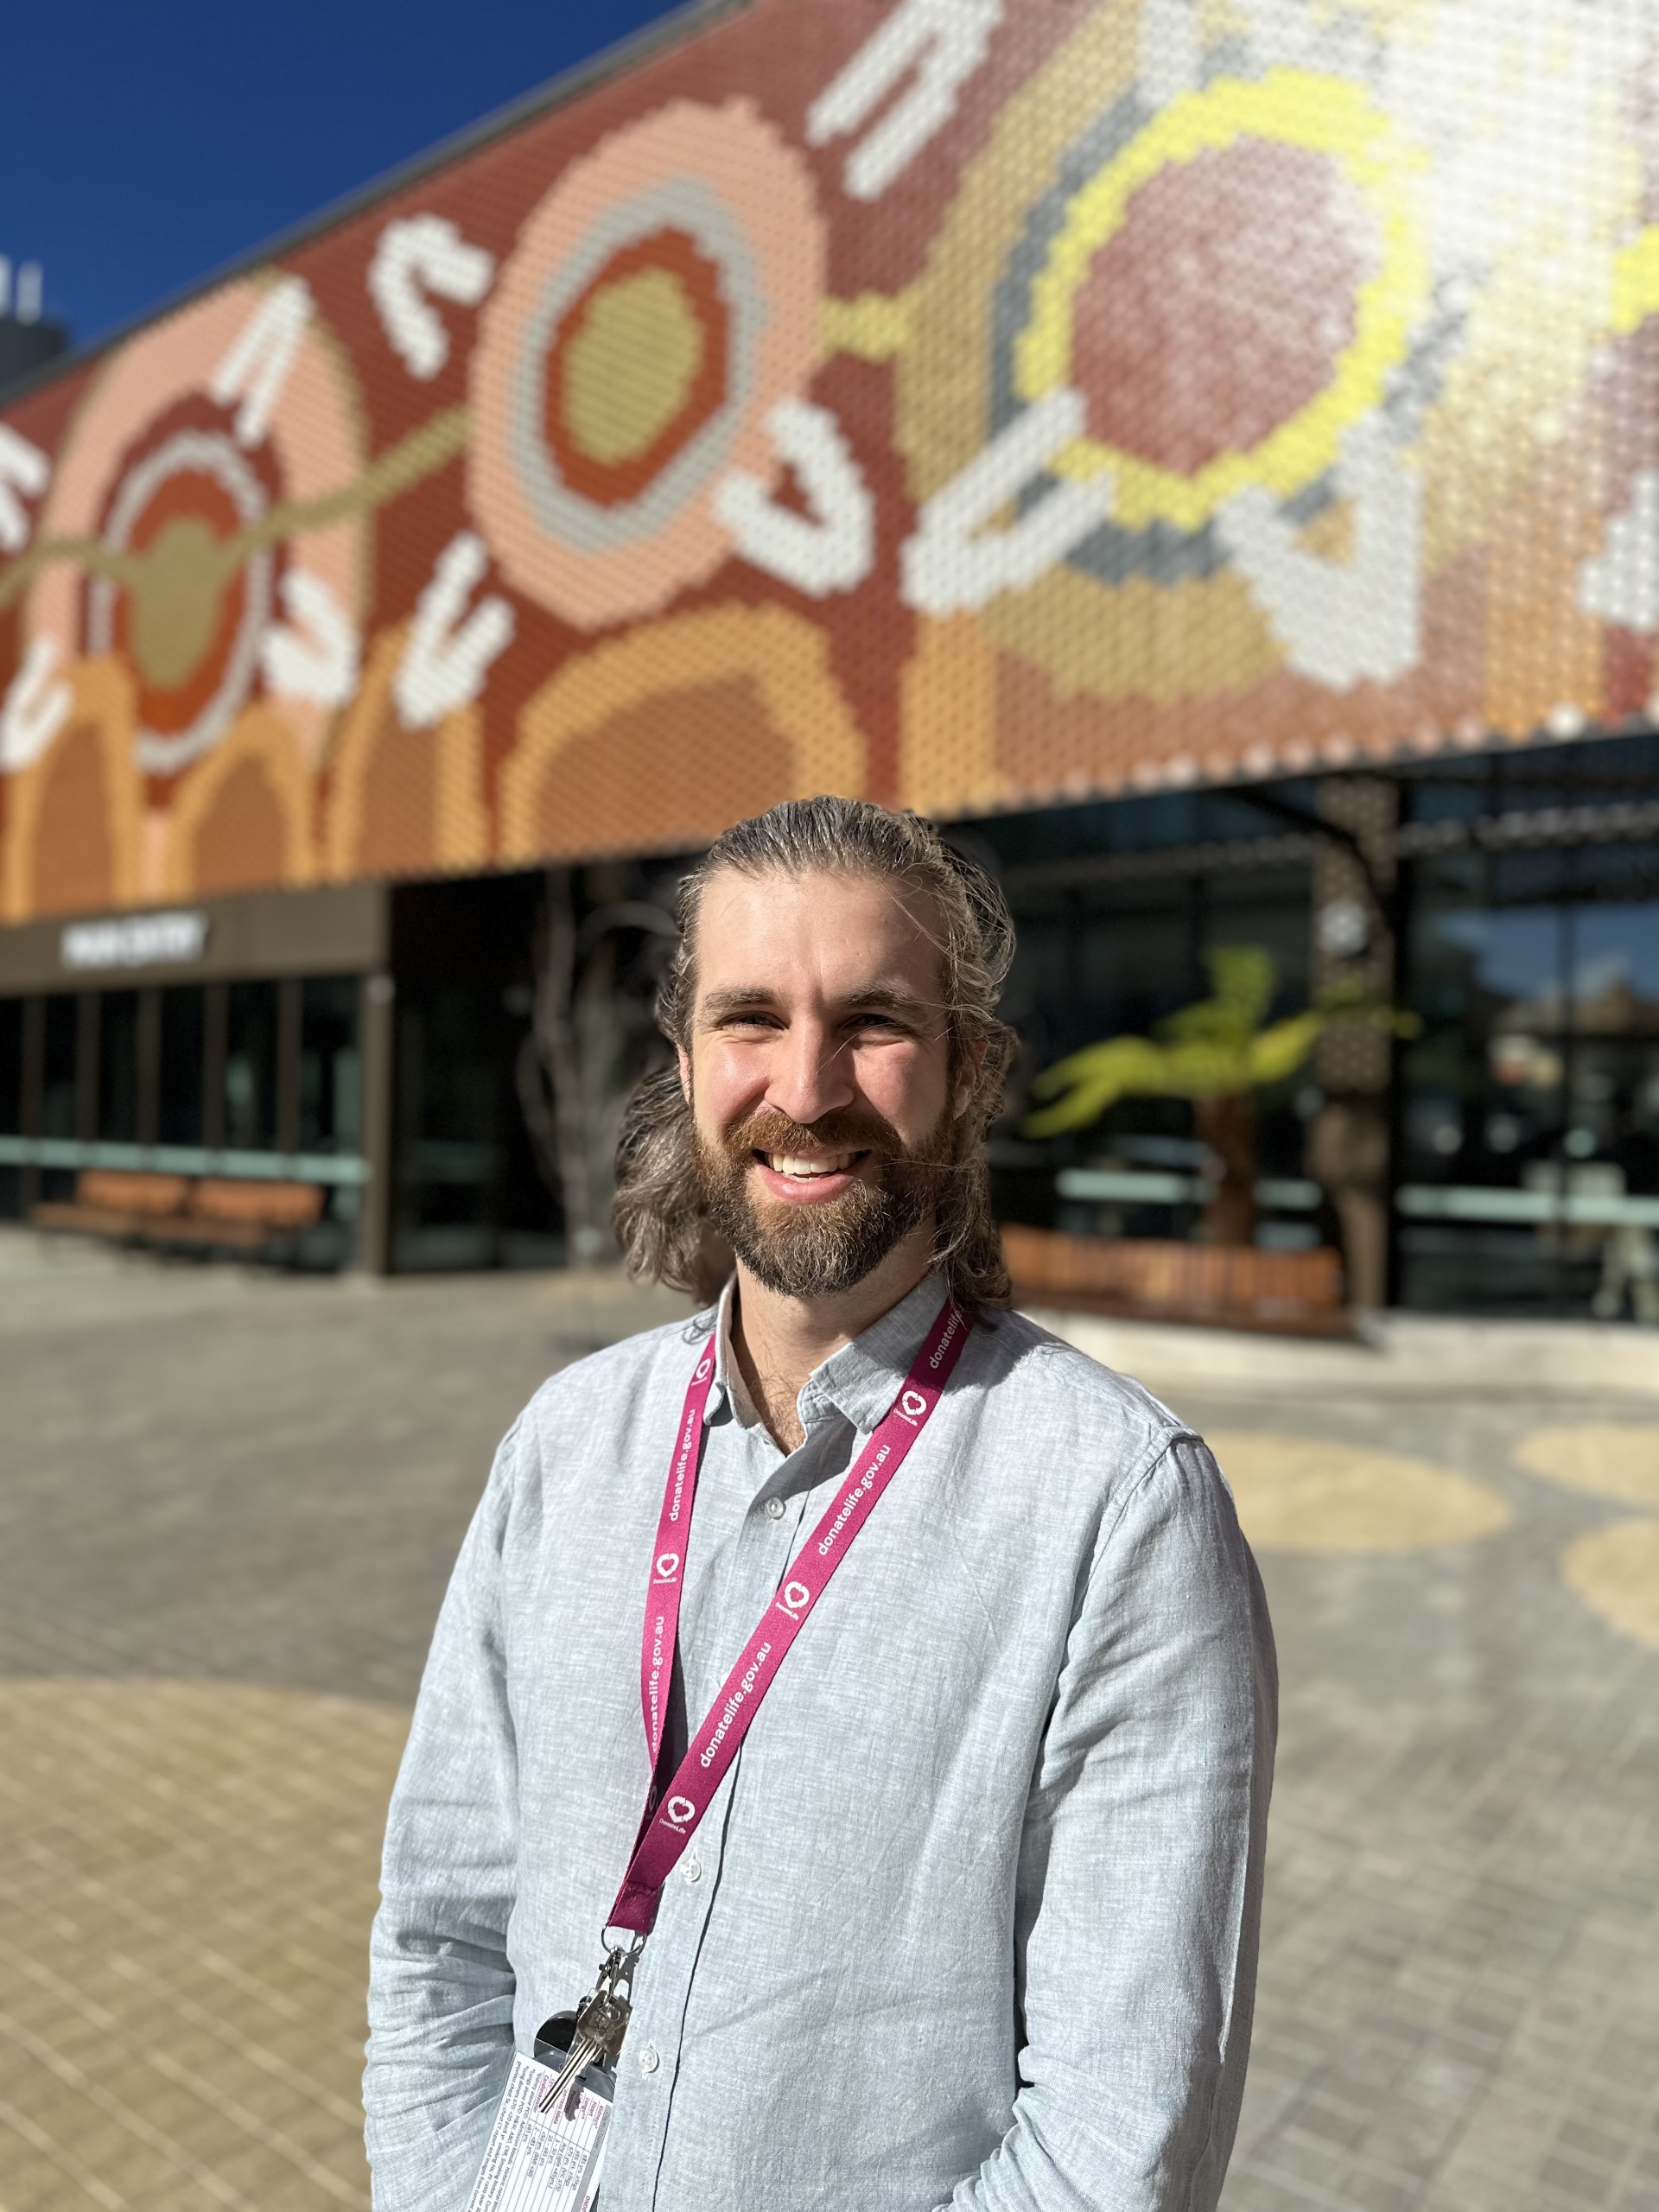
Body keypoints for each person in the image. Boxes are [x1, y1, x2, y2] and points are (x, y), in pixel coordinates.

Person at [365, 796, 1276, 2212]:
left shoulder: (1120, 1512)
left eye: (873, 1022)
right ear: (683, 1062)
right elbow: (439, 1933)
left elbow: (1120, 2133)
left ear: (967, 1071)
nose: (805, 1087)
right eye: (750, 1019)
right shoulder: (563, 1448)